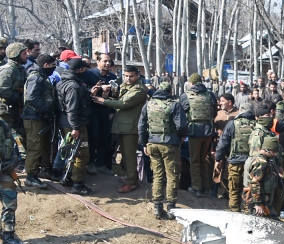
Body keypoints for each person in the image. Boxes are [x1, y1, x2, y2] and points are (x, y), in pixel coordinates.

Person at [93, 65, 148, 193]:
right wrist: (107, 96)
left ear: (137, 76)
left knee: (129, 155)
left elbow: (123, 104)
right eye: (126, 76)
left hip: (131, 127)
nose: (128, 78)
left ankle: (132, 182)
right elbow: (119, 100)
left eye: (131, 76)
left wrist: (103, 101)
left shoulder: (139, 90)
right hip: (122, 125)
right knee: (124, 154)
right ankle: (130, 176)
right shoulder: (126, 86)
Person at [138, 83, 187, 220]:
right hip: (170, 144)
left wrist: (144, 144)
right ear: (170, 91)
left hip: (152, 143)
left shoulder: (148, 104)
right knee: (172, 175)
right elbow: (182, 125)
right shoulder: (175, 105)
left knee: (157, 175)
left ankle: (157, 206)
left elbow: (141, 126)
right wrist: (180, 136)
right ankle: (171, 206)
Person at [55, 58, 94, 194]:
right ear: (80, 70)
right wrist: (75, 128)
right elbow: (72, 108)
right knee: (81, 154)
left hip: (66, 123)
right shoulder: (73, 86)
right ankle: (78, 184)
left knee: (70, 153)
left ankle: (67, 178)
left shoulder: (64, 82)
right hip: (75, 125)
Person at [179, 73, 218, 197]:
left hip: (194, 131)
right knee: (203, 160)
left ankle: (197, 188)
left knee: (194, 161)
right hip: (208, 131)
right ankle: (206, 187)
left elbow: (182, 114)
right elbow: (214, 112)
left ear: (191, 83)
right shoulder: (210, 94)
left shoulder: (185, 96)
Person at [21, 54, 57, 189]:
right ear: (46, 65)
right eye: (53, 65)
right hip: (33, 117)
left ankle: (46, 169)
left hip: (41, 117)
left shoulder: (42, 76)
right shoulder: (36, 77)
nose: (54, 68)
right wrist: (45, 109)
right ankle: (31, 176)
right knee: (35, 147)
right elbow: (31, 98)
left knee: (45, 145)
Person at [215, 102, 256, 212]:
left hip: (235, 161)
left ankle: (234, 211)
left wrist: (218, 159)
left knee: (234, 189)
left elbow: (223, 143)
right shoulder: (256, 125)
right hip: (252, 163)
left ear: (241, 111)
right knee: (249, 188)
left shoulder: (232, 124)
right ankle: (248, 211)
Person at [0, 117, 25, 244]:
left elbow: (14, 146)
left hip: (5, 171)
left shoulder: (2, 124)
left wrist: (13, 161)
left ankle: (8, 237)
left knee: (10, 203)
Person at [244, 135, 281, 217]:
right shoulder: (261, 162)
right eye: (273, 152)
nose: (275, 154)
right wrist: (257, 203)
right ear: (267, 150)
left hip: (264, 201)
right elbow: (255, 182)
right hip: (258, 203)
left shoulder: (265, 160)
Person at [0, 43, 28, 140]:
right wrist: (20, 98)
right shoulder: (7, 70)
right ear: (15, 55)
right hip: (6, 113)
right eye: (24, 53)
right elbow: (4, 91)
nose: (27, 55)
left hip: (16, 111)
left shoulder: (20, 69)